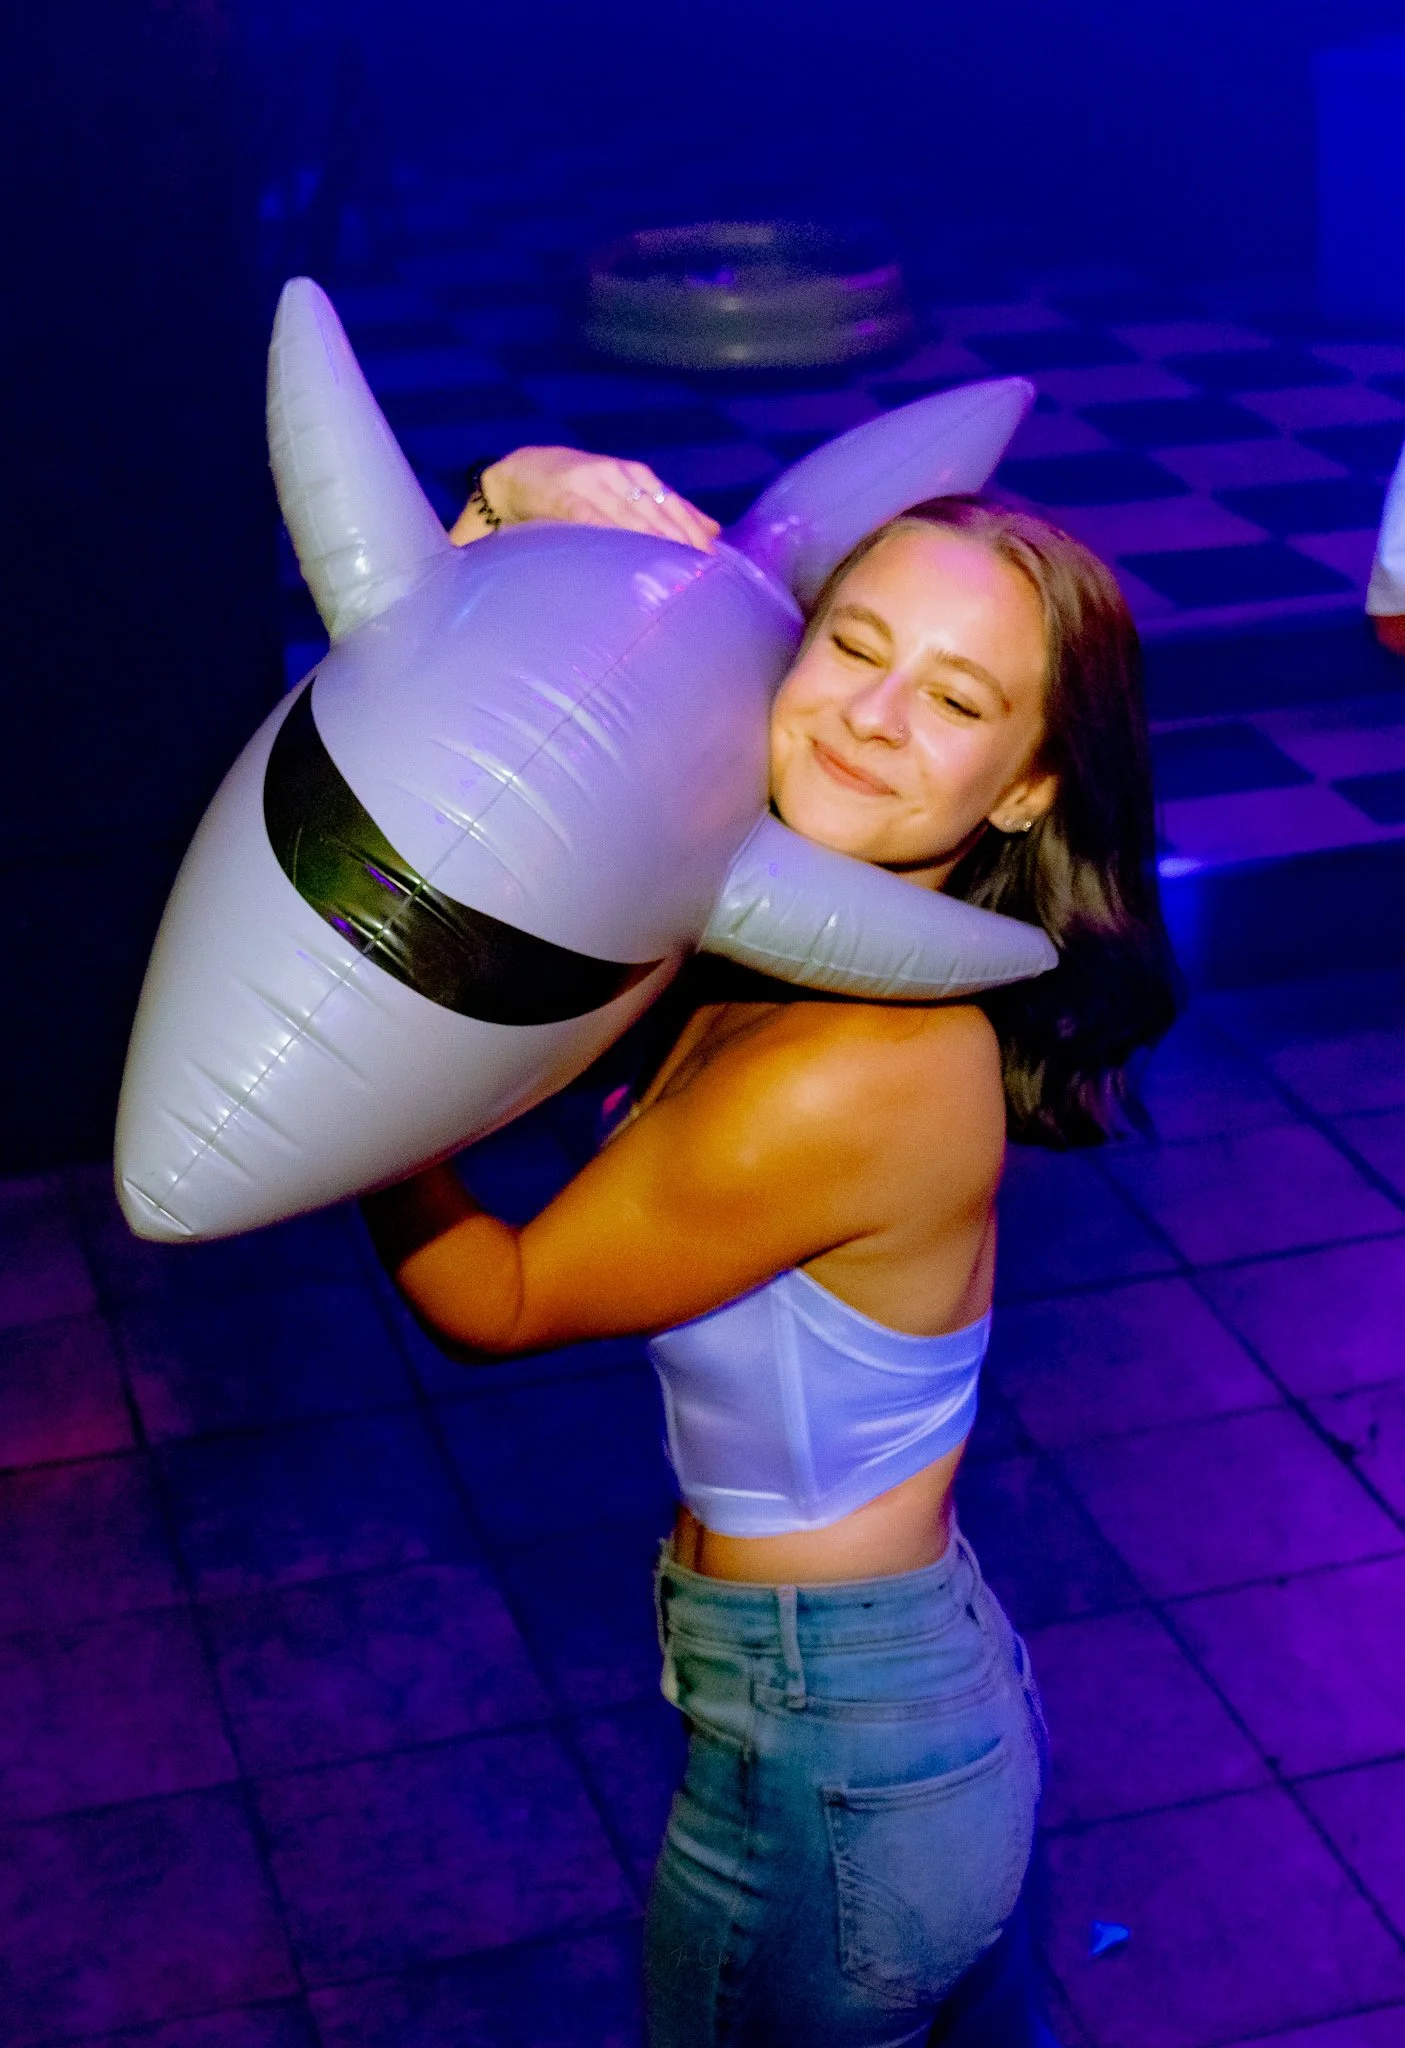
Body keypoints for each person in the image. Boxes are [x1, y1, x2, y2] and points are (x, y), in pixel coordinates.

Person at [363, 443, 1178, 2047]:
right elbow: (480, 749)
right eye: (854, 647)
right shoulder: (787, 934)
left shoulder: (857, 1066)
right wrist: (510, 494)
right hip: (901, 1713)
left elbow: (496, 1296)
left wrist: (359, 1063)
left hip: (832, 1759)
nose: (875, 716)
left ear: (1027, 786)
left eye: (956, 700)